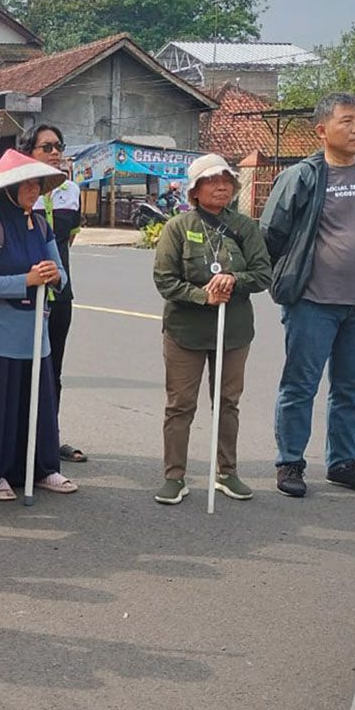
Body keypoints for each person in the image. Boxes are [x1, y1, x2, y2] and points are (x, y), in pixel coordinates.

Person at [262, 92, 355, 498]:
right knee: (300, 385)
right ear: (322, 130)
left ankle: (342, 462)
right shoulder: (303, 176)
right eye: (347, 121)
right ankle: (290, 463)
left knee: (353, 387)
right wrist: (288, 279)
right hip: (313, 302)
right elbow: (272, 233)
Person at [152, 154, 272, 505]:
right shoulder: (177, 227)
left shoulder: (246, 227)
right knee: (180, 405)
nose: (221, 186)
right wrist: (203, 296)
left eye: (227, 180)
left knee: (227, 403)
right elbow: (165, 279)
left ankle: (227, 472)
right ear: (195, 190)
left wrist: (233, 280)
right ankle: (174, 476)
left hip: (233, 332)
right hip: (184, 332)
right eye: (211, 180)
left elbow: (263, 273)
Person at [0, 150, 77, 501]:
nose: (33, 190)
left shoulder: (41, 225)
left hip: (34, 335)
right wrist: (26, 279)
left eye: (37, 183)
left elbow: (61, 275)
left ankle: (40, 468)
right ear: (8, 190)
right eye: (25, 184)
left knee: (35, 406)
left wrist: (55, 276)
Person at [21, 124, 87, 464]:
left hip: (59, 292)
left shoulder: (70, 191)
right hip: (24, 292)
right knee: (22, 368)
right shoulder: (15, 187)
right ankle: (20, 438)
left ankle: (49, 436)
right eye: (46, 147)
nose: (55, 152)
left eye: (58, 146)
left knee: (53, 369)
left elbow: (67, 238)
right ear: (29, 151)